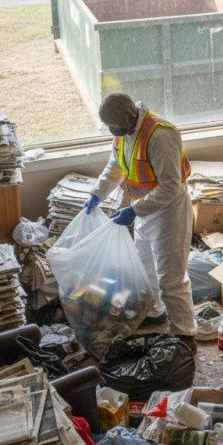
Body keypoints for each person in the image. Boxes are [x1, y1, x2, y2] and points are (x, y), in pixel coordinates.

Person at [83, 93, 196, 348]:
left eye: (113, 125)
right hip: (144, 207)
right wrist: (97, 194)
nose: (111, 130)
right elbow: (115, 166)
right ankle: (155, 312)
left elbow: (170, 186)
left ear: (127, 116)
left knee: (171, 278)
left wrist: (134, 211)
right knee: (144, 268)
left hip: (169, 212)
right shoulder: (123, 133)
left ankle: (185, 335)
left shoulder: (160, 135)